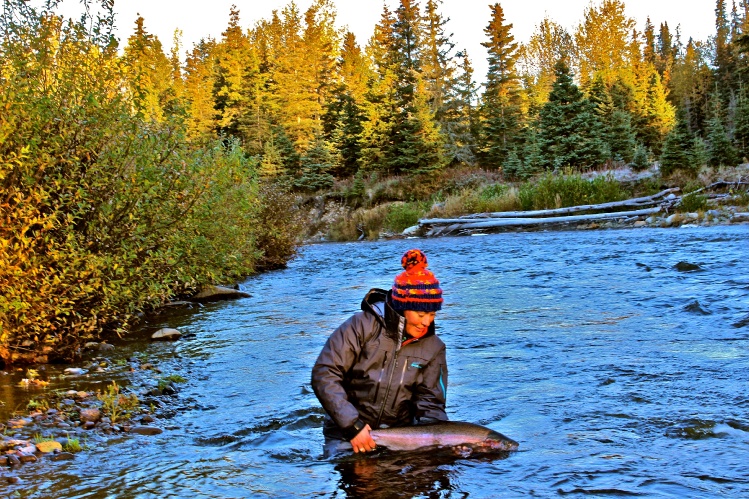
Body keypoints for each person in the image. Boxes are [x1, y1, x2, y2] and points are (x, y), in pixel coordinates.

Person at [311, 248, 448, 456]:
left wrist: (438, 445)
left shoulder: (434, 348)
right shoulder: (361, 326)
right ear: (403, 307)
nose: (426, 322)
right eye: (421, 314)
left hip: (400, 440)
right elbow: (325, 373)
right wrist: (352, 426)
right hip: (345, 435)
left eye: (431, 314)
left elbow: (430, 405)